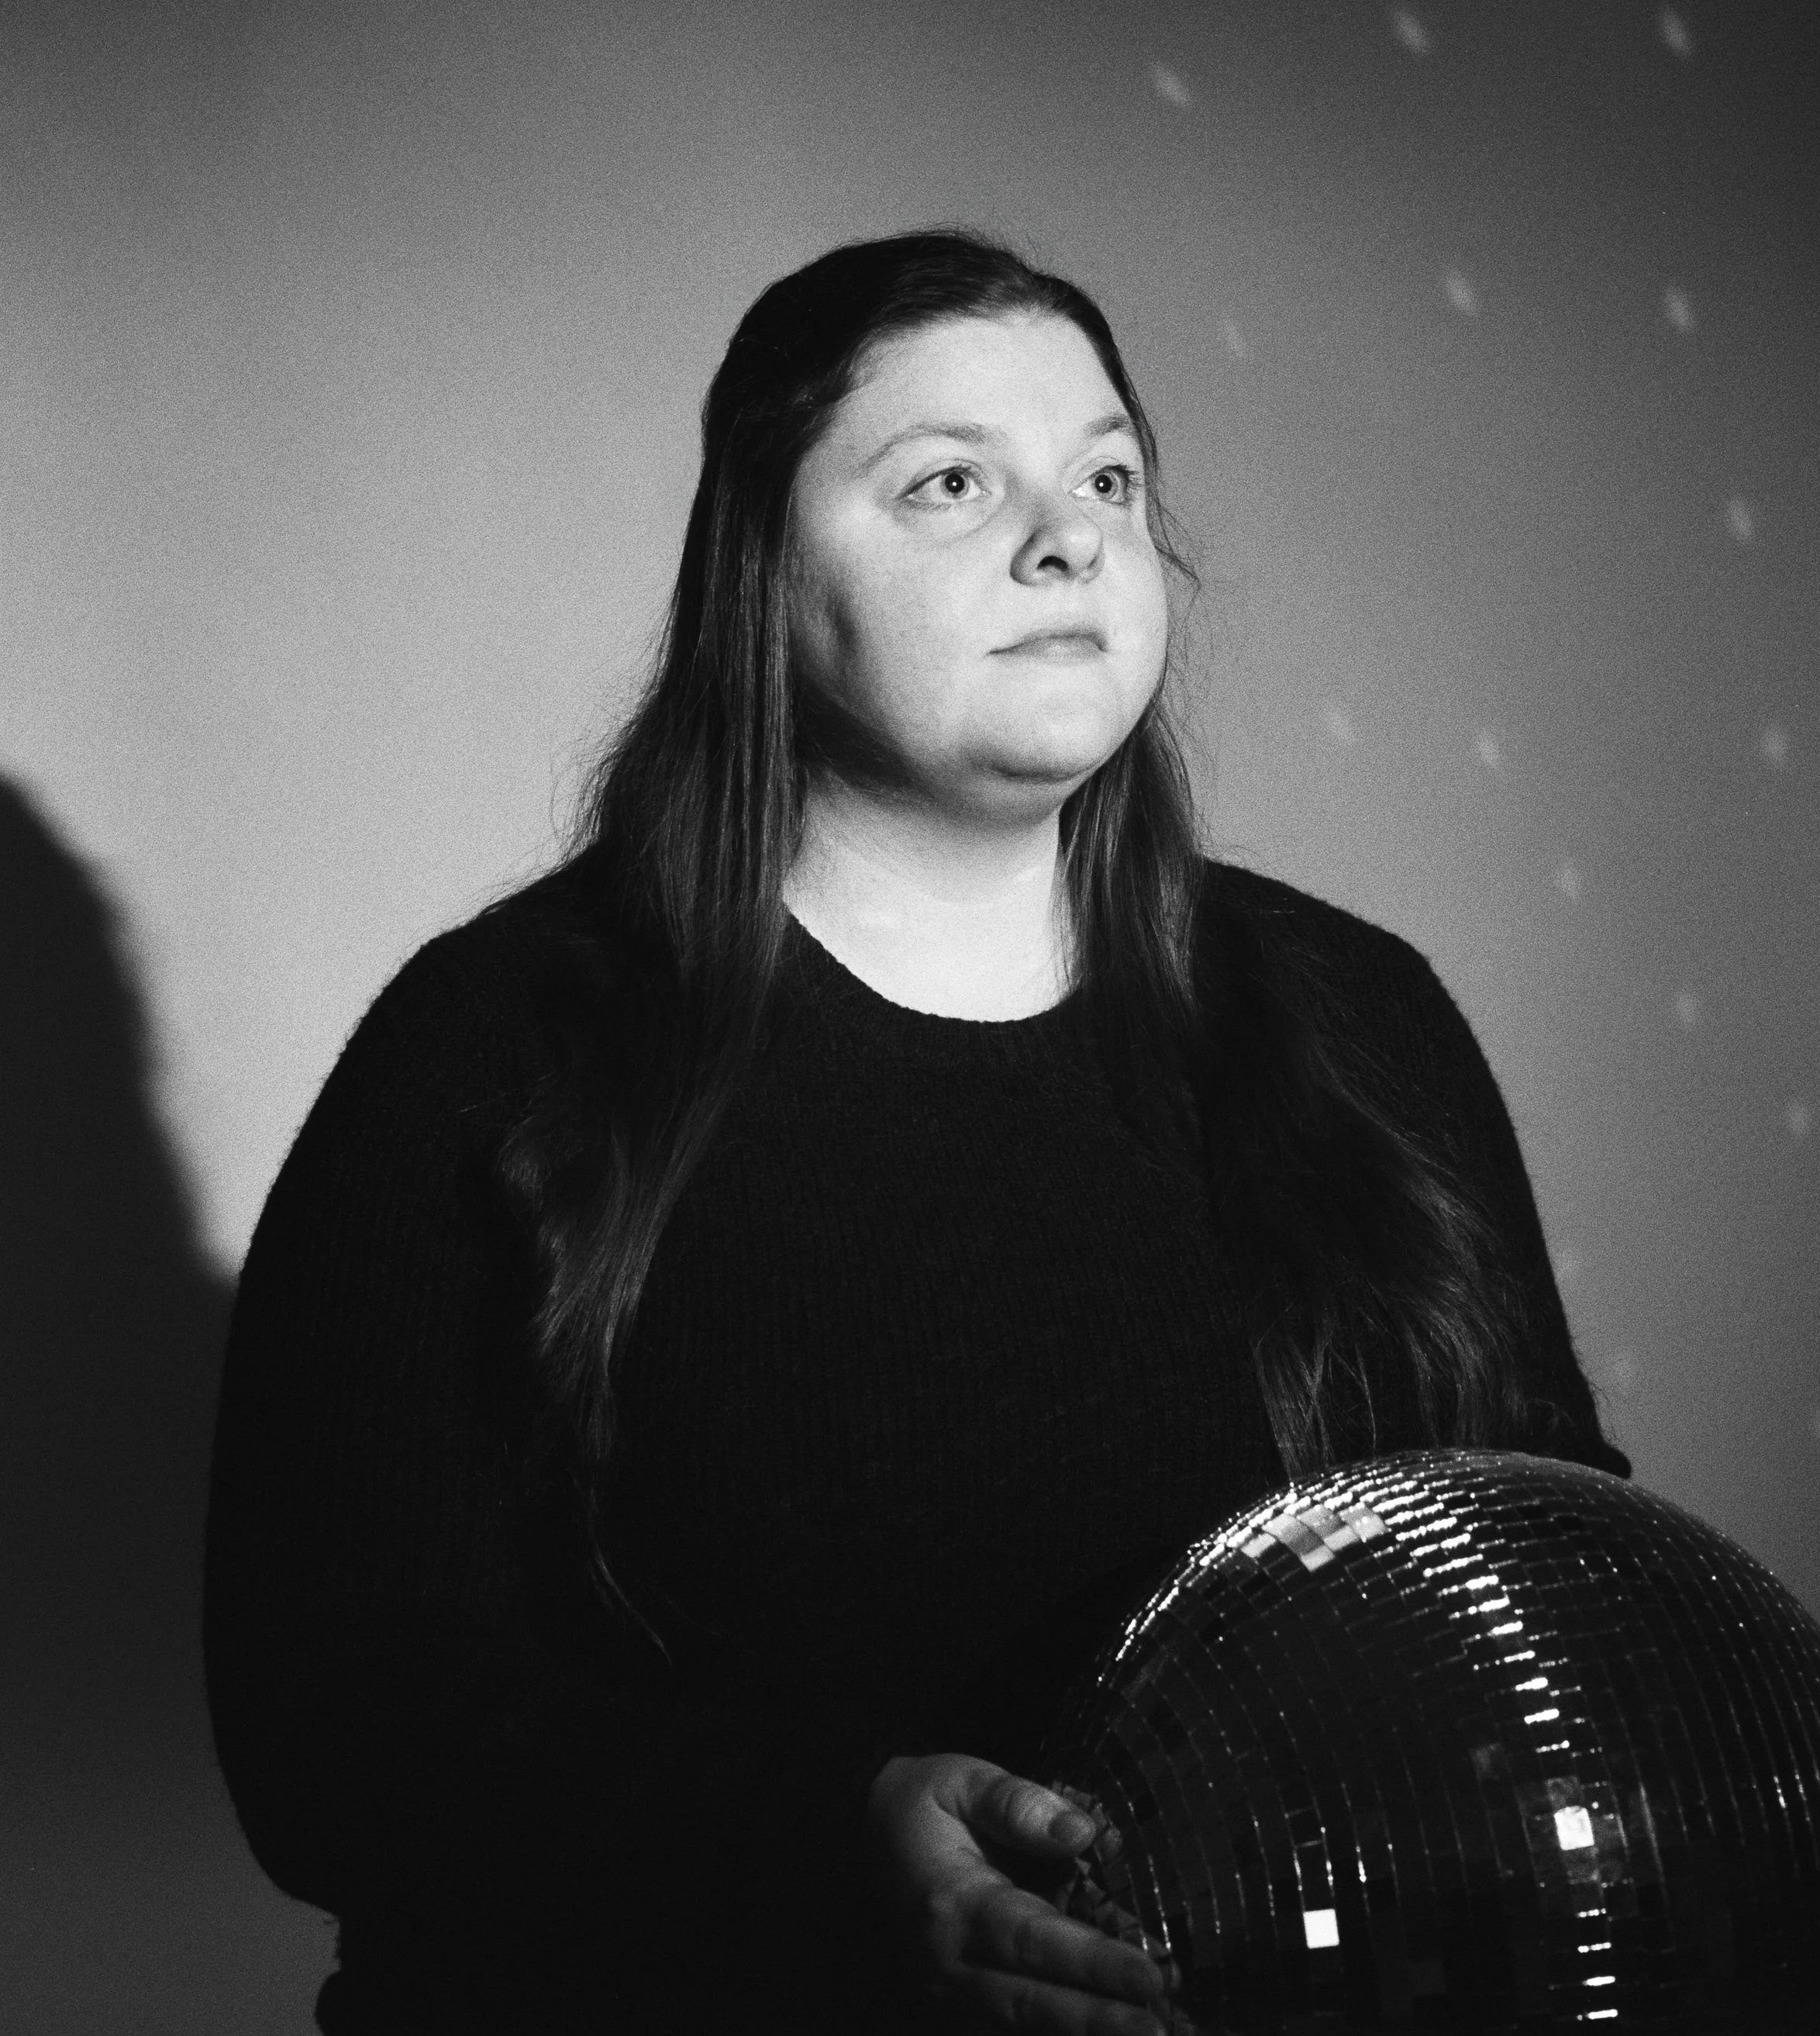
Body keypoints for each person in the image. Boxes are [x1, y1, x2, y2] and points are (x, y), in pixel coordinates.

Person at [203, 227, 1629, 2035]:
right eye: (950, 481)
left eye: (1105, 479)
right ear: (758, 570)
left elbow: (1554, 1568)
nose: (1067, 539)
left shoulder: (1360, 1020)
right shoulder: (496, 1047)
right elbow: (328, 1724)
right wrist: (815, 1848)